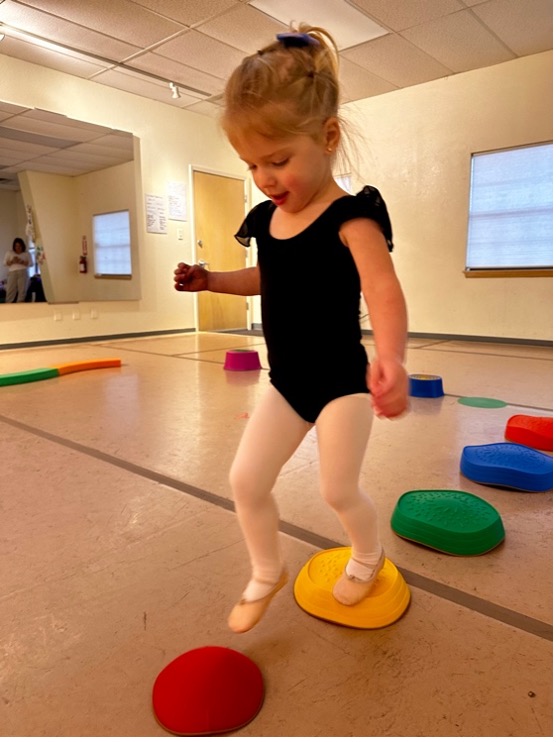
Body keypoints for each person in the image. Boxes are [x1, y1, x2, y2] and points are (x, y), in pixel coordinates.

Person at [174, 25, 408, 633]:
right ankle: (265, 569)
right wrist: (211, 281)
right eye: (252, 164)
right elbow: (265, 279)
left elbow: (383, 292)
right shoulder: (269, 219)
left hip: (341, 384)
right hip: (287, 383)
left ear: (328, 138)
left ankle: (367, 554)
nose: (266, 178)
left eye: (279, 161)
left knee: (337, 489)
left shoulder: (352, 219)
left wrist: (393, 359)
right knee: (245, 480)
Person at [4, 237, 33, 303]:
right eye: (16, 246)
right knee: (10, 290)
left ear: (22, 246)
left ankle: (20, 306)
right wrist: (12, 261)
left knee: (22, 291)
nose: (18, 247)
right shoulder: (9, 252)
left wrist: (21, 261)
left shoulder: (26, 253)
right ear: (14, 246)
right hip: (12, 273)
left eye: (20, 246)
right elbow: (5, 263)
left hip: (23, 272)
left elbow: (31, 264)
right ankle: (8, 306)